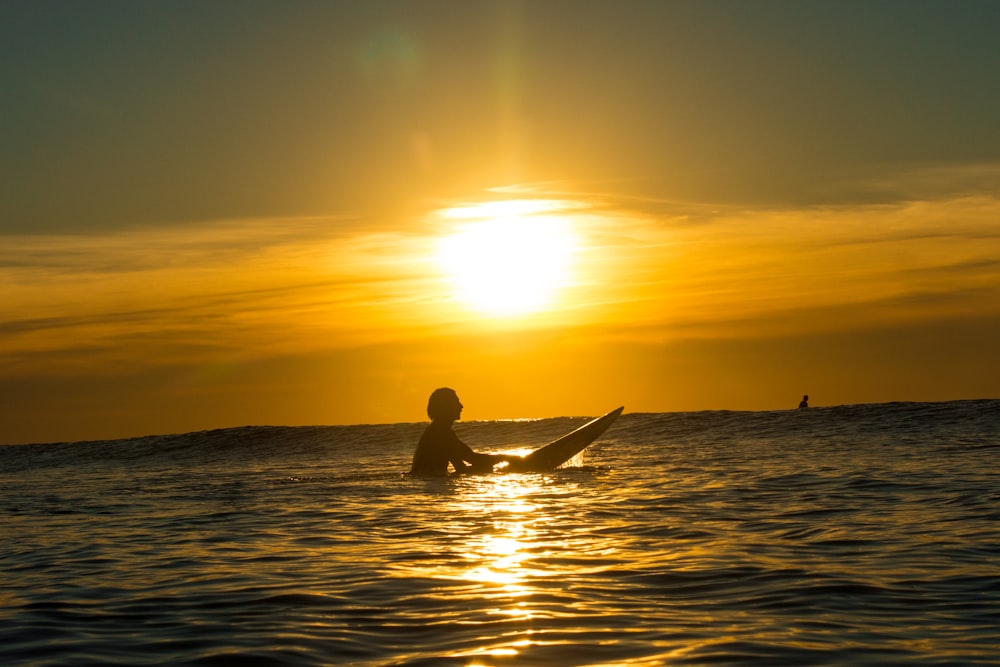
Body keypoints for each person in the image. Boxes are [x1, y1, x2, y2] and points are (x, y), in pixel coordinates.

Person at [410, 388, 514, 476]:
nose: (461, 406)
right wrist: (505, 460)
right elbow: (466, 465)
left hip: (426, 478)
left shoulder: (438, 430)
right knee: (485, 468)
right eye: (456, 402)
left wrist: (504, 459)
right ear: (446, 406)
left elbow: (469, 458)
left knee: (485, 467)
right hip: (429, 478)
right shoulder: (441, 433)